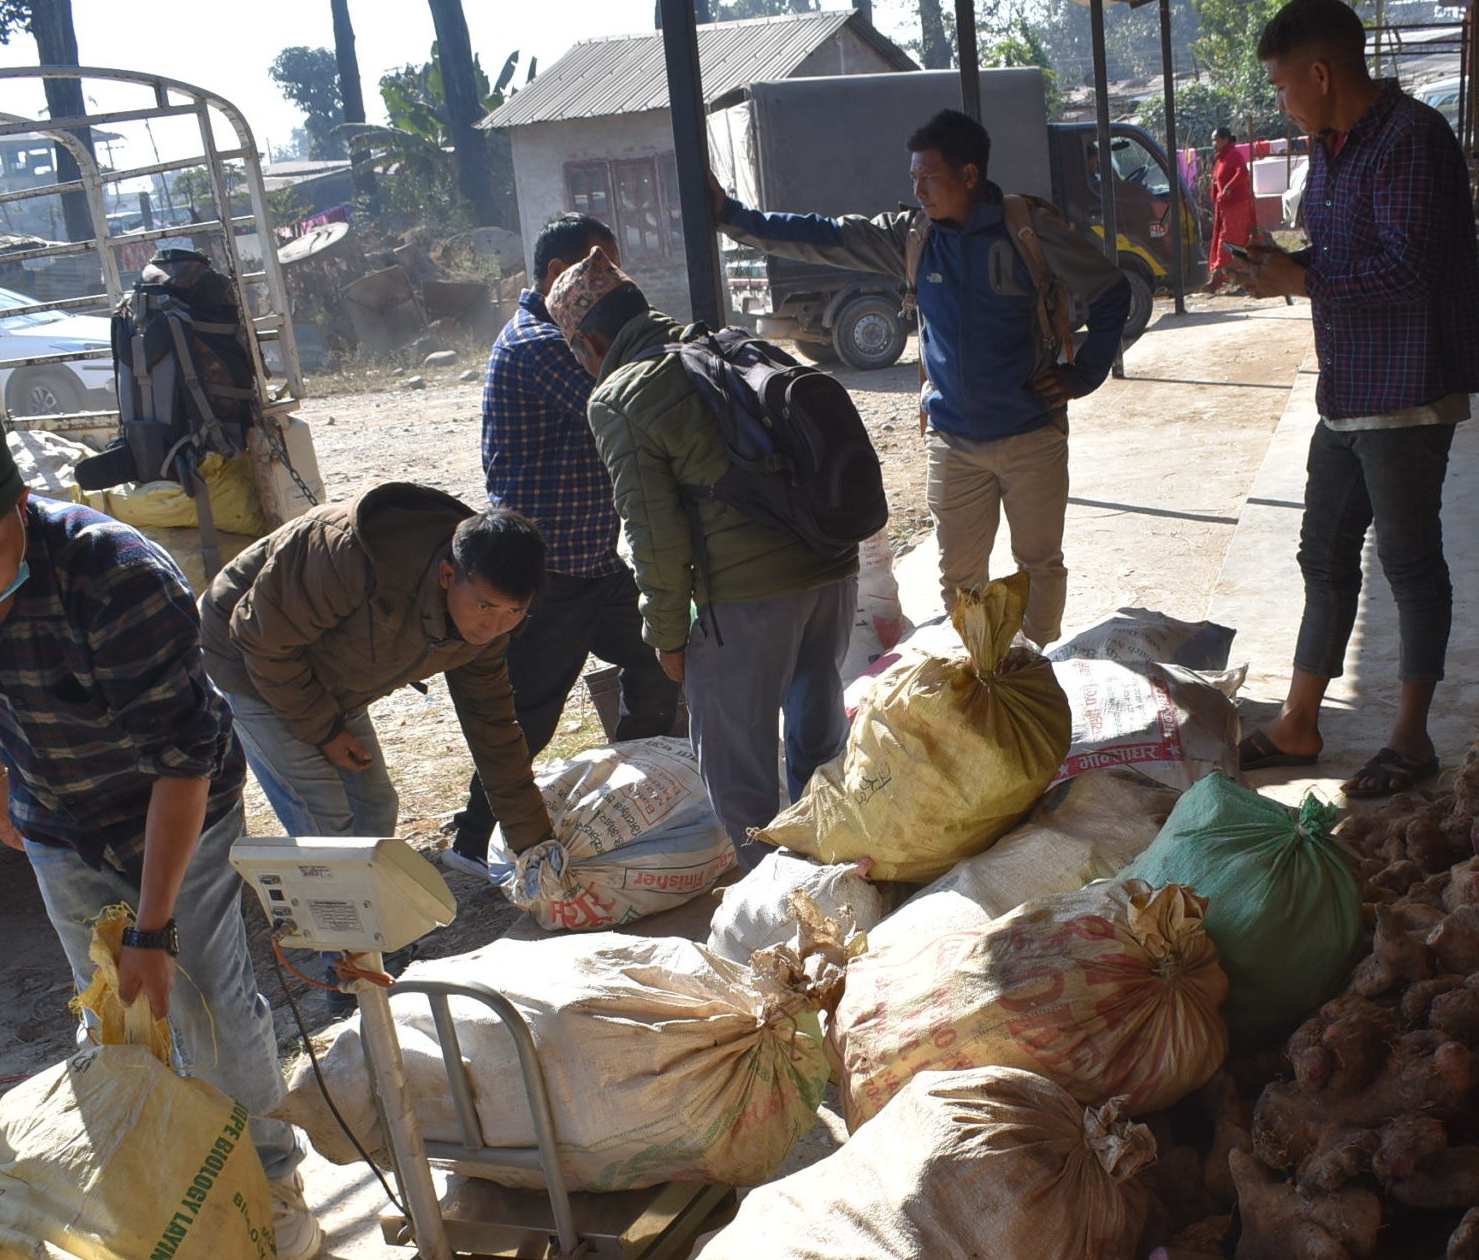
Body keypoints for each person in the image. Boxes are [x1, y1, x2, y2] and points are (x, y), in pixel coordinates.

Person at [0, 346, 323, 1260]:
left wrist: (152, 929)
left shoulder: (117, 579)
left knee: (210, 1005)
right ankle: (164, 1192)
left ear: (20, 505)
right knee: (114, 1020)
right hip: (56, 816)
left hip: (179, 803)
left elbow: (182, 767)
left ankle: (272, 1183)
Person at [712, 108, 1132, 647]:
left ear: (969, 176)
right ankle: (983, 675)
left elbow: (1110, 290)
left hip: (1032, 437)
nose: (919, 190)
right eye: (913, 179)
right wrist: (732, 217)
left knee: (1039, 566)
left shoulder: (1027, 230)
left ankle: (1037, 670)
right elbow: (824, 236)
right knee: (959, 580)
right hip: (952, 444)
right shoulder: (912, 237)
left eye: (928, 178)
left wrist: (1085, 374)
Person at [1229, 0, 1479, 797]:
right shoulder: (1335, 149)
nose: (1280, 101)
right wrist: (1285, 259)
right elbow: (1350, 253)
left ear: (1320, 73)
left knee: (1410, 564)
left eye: (1282, 86)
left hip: (1408, 390)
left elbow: (1410, 272)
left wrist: (1302, 278)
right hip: (1347, 387)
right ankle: (1299, 723)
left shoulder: (1411, 139)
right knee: (1323, 554)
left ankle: (1411, 741)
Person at [549, 250, 856, 865]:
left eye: (576, 351)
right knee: (818, 739)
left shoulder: (620, 397)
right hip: (832, 568)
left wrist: (666, 637)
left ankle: (779, 903)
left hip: (746, 599)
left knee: (734, 760)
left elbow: (653, 537)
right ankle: (840, 866)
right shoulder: (729, 345)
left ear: (589, 339)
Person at [449, 212, 678, 867]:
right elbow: (624, 391)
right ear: (559, 277)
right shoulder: (539, 344)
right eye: (597, 271)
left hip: (599, 563)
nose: (613, 285)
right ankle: (471, 844)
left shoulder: (556, 336)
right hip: (552, 572)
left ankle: (637, 783)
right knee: (528, 716)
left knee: (661, 659)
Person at [197, 489, 556, 863]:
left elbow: (493, 731)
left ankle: (364, 906)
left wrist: (535, 846)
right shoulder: (352, 555)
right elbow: (261, 639)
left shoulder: (486, 626)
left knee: (375, 806)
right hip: (247, 659)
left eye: (514, 612)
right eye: (485, 606)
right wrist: (327, 732)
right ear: (448, 575)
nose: (494, 626)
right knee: (326, 819)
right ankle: (338, 914)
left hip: (330, 673)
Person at [1206, 127, 1260, 292]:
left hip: (1237, 206)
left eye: (1215, 139)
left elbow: (1242, 172)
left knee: (1229, 243)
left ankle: (1221, 280)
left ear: (1224, 140)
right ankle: (1221, 280)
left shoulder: (1234, 155)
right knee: (1226, 242)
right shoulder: (1222, 158)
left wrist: (1228, 188)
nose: (1213, 143)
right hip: (1225, 207)